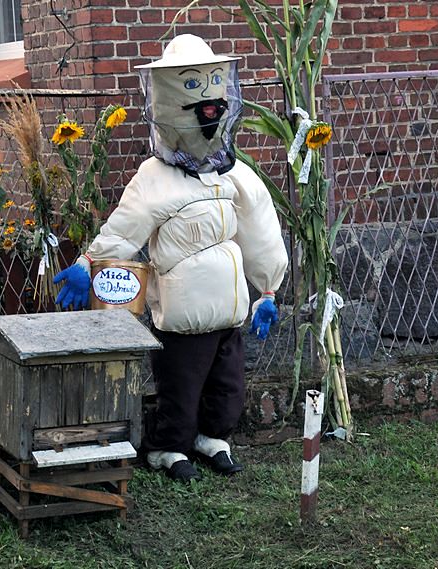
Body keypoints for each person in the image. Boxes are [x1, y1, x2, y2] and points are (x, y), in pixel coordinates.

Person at [54, 34, 288, 482]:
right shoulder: (156, 177)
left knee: (228, 386)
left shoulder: (232, 173)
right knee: (180, 387)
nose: (209, 109)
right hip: (181, 314)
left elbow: (260, 228)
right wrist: (89, 263)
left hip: (229, 311)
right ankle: (168, 448)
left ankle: (213, 438)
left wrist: (269, 290)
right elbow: (125, 226)